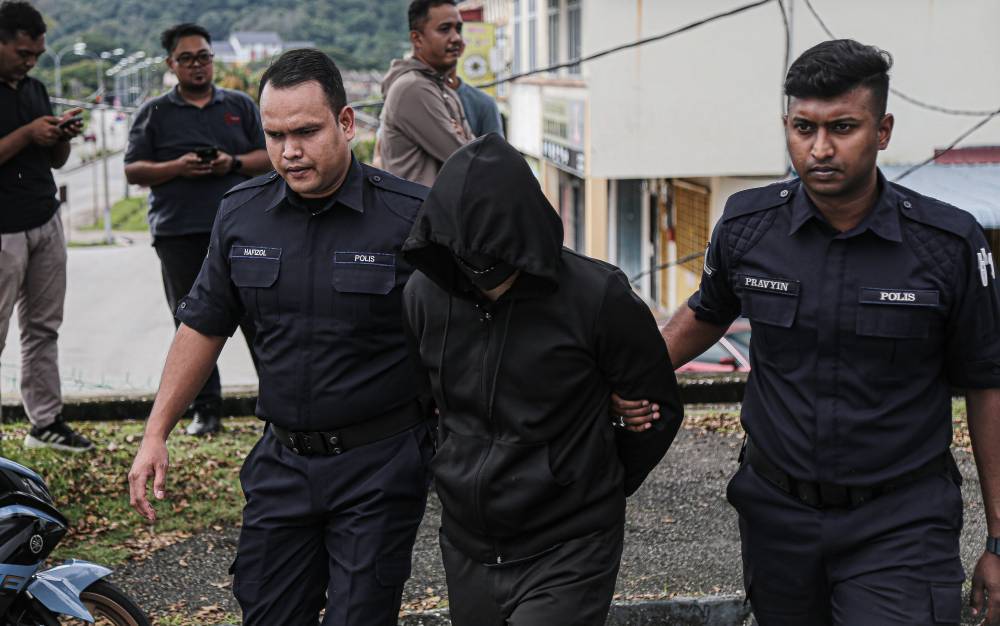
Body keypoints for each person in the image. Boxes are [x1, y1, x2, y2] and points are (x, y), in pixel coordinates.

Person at [616, 39, 1000, 625]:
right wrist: (626, 376)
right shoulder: (747, 225)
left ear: (883, 130)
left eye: (842, 127)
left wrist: (998, 541)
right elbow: (706, 313)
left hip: (901, 522)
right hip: (777, 518)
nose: (819, 148)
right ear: (787, 125)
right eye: (804, 127)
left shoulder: (948, 245)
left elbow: (987, 384)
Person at [127, 48, 434, 625]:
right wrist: (155, 432)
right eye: (273, 135)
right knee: (267, 612)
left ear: (346, 123)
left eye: (305, 131)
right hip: (282, 464)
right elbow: (202, 325)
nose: (289, 151)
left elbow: (477, 323)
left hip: (380, 465)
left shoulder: (409, 215)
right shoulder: (242, 213)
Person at [401, 133, 683, 626]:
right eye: (468, 261)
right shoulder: (425, 295)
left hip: (569, 544)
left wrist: (591, 479)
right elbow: (423, 403)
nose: (482, 277)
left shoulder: (599, 296)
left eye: (494, 261)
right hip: (468, 543)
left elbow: (657, 411)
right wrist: (453, 472)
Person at [124, 23, 270, 436]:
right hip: (179, 233)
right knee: (193, 323)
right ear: (171, 64)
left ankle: (276, 406)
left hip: (244, 231)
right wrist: (177, 167)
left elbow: (272, 154)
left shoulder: (240, 105)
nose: (197, 65)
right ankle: (206, 411)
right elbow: (134, 170)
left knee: (261, 318)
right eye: (186, 58)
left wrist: (233, 163)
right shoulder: (154, 112)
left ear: (212, 58)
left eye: (203, 56)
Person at [0, 0, 91, 452]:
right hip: (3, 230)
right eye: (22, 52)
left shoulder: (35, 88)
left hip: (44, 216)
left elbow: (52, 159)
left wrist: (60, 138)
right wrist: (26, 135)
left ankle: (46, 422)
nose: (31, 60)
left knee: (43, 327)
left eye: (37, 53)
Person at [379, 0, 472, 186]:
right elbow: (469, 159)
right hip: (417, 214)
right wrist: (463, 139)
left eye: (458, 29)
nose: (456, 38)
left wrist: (465, 142)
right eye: (445, 29)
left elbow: (475, 150)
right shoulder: (412, 88)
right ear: (417, 39)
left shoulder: (446, 91)